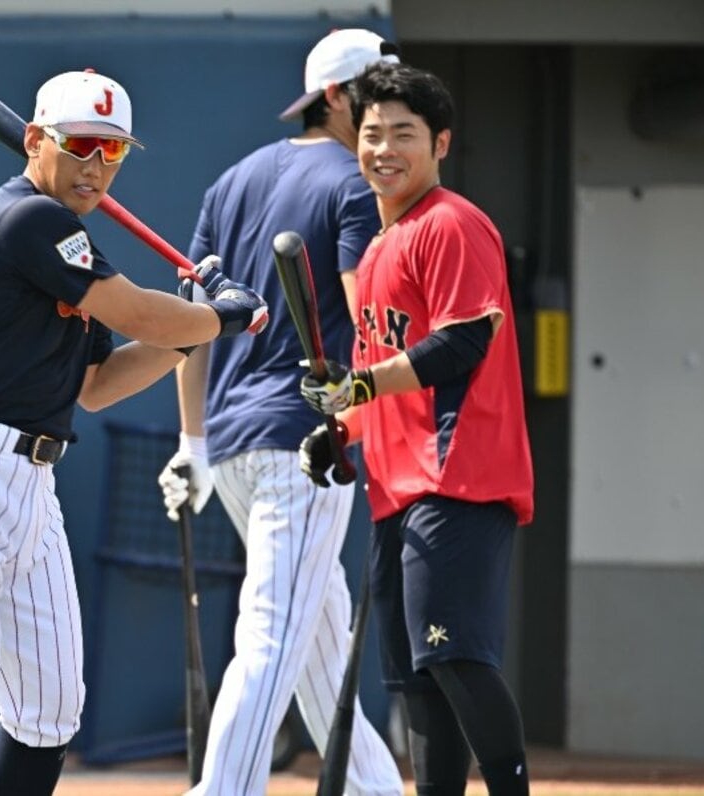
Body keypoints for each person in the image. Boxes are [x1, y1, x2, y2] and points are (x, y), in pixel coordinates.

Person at [0, 68, 268, 796]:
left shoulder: (70, 242)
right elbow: (137, 314)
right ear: (34, 141)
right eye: (80, 145)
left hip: (30, 480)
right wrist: (222, 316)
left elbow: (98, 384)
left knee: (51, 711)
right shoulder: (27, 218)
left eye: (112, 152)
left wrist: (194, 330)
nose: (96, 167)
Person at [157, 29, 405, 796]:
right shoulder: (354, 185)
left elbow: (190, 323)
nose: (389, 103)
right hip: (306, 444)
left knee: (321, 655)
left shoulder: (230, 182)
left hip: (233, 441)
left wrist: (193, 442)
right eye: (375, 87)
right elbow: (370, 319)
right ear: (336, 96)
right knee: (271, 636)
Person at [299, 61, 535, 796]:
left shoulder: (453, 225)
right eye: (371, 134)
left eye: (404, 133)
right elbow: (383, 385)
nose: (384, 149)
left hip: (459, 477)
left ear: (441, 143)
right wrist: (341, 428)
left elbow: (462, 344)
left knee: (455, 656)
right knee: (417, 681)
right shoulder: (376, 250)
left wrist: (358, 383)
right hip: (398, 489)